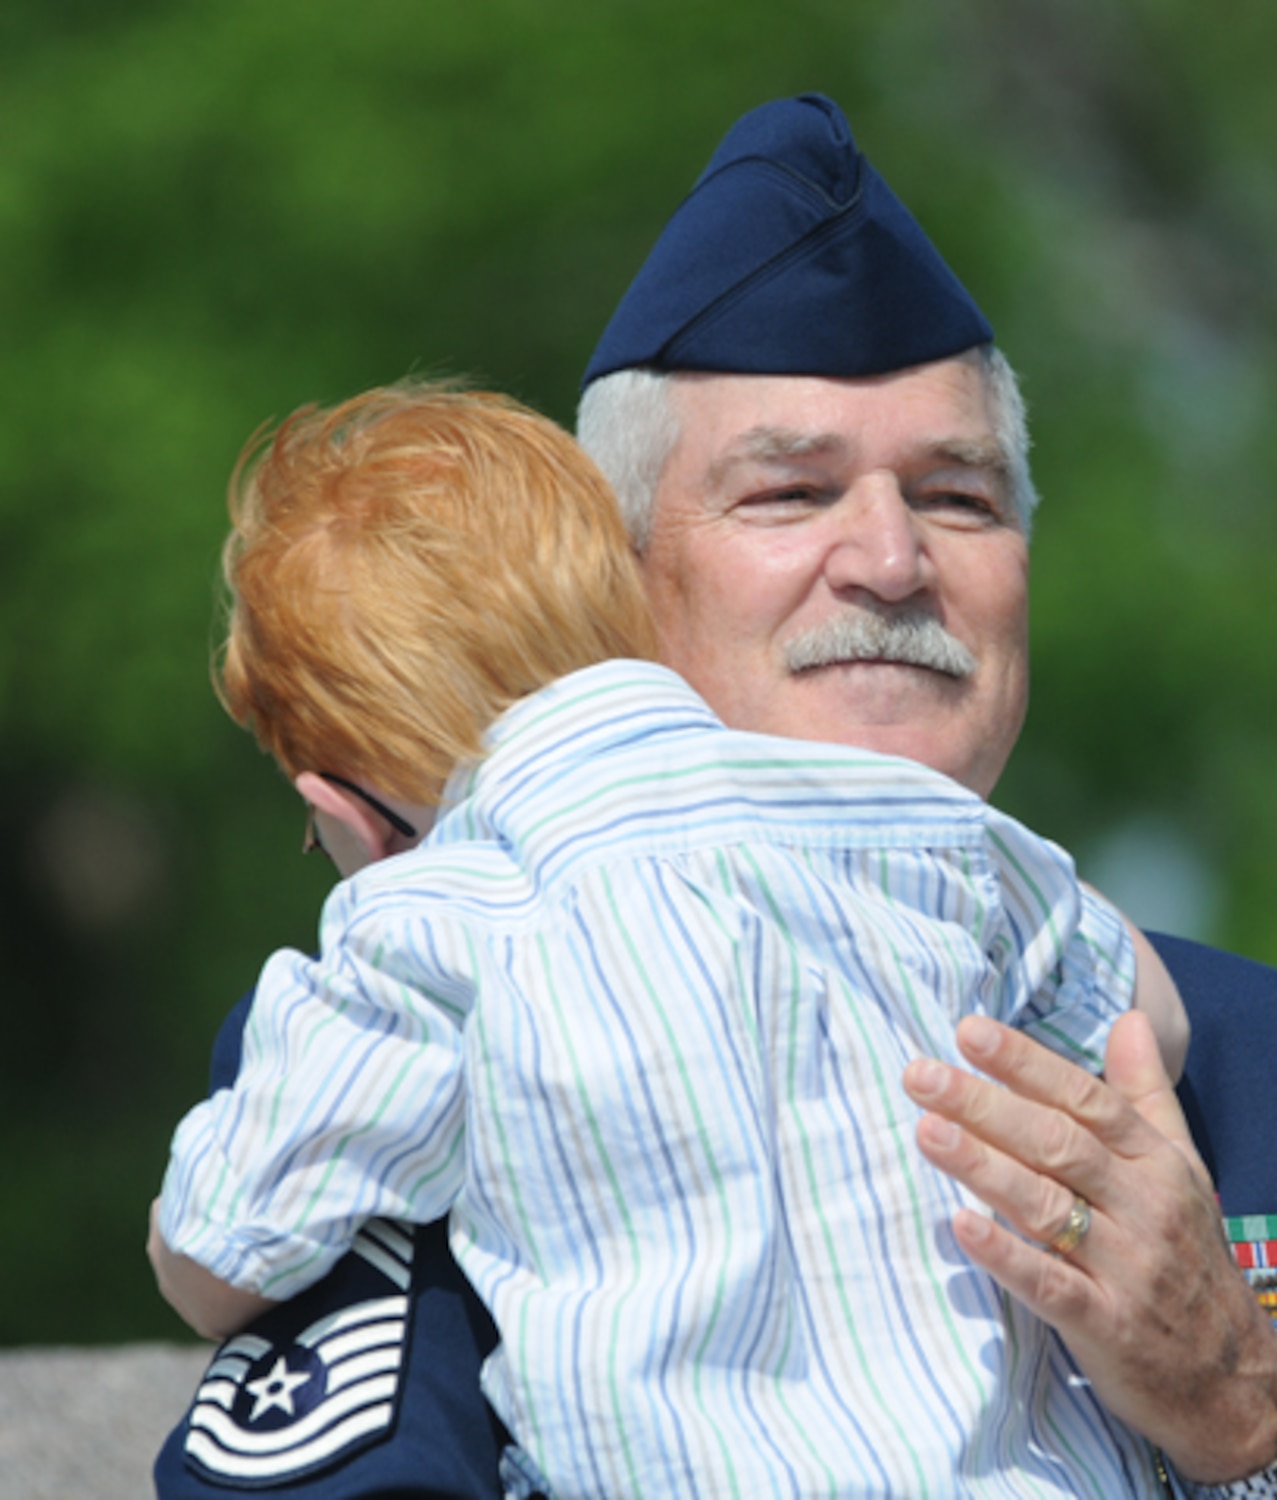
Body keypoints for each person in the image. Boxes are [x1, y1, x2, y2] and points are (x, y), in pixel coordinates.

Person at [157, 95, 1277, 1499]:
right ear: (617, 592)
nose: (889, 558)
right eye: (789, 495)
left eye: (962, 498)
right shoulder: (454, 994)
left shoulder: (1248, 1054)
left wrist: (1251, 1409)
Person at [150, 381, 1194, 1497]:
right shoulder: (905, 820)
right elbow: (1157, 1022)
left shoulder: (431, 922)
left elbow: (225, 1249)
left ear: (348, 811)